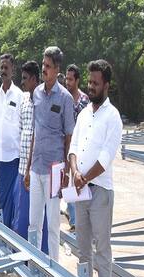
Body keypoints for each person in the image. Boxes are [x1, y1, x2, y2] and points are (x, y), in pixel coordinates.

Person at [68, 60, 122, 277]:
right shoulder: (84, 114)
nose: (91, 87)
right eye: (89, 82)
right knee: (82, 249)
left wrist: (84, 178)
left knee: (101, 251)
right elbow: (74, 147)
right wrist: (75, 173)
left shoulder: (113, 117)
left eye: (96, 83)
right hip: (80, 190)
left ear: (106, 85)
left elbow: (105, 158)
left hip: (99, 192)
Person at [27, 46, 75, 264]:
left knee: (53, 225)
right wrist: (27, 168)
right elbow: (34, 133)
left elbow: (68, 136)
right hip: (36, 167)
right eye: (43, 65)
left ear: (57, 69)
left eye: (48, 66)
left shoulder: (65, 98)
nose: (44, 69)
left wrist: (65, 171)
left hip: (55, 169)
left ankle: (54, 276)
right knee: (33, 223)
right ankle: (35, 268)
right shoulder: (36, 93)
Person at [11, 61, 48, 254]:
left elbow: (41, 135)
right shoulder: (24, 100)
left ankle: (42, 256)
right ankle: (24, 256)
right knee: (22, 216)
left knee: (41, 219)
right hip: (23, 167)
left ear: (34, 79)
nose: (22, 82)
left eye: (25, 78)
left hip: (38, 169)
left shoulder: (44, 100)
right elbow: (22, 130)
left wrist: (29, 170)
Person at [0, 54, 23, 228]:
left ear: (13, 70)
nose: (3, 71)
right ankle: (3, 232)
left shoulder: (19, 95)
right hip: (1, 157)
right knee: (2, 199)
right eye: (1, 68)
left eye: (6, 68)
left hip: (16, 156)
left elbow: (25, 127)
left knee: (15, 198)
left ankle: (13, 235)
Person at [63, 64, 90, 232]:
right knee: (65, 180)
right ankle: (70, 210)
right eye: (66, 79)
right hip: (64, 144)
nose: (67, 82)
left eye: (70, 79)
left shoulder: (84, 100)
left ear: (77, 80)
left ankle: (75, 220)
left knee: (76, 180)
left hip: (79, 147)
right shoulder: (63, 97)